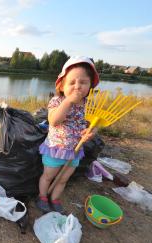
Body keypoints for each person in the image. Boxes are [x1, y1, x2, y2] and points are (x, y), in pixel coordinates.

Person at [37, 56, 100, 214]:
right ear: (62, 85)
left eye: (83, 82)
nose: (77, 87)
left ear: (90, 85)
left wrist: (91, 132)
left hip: (75, 151)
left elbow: (95, 125)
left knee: (64, 179)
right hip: (56, 148)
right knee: (48, 176)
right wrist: (68, 102)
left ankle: (55, 198)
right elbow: (53, 121)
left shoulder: (88, 105)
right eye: (72, 83)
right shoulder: (57, 101)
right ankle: (42, 196)